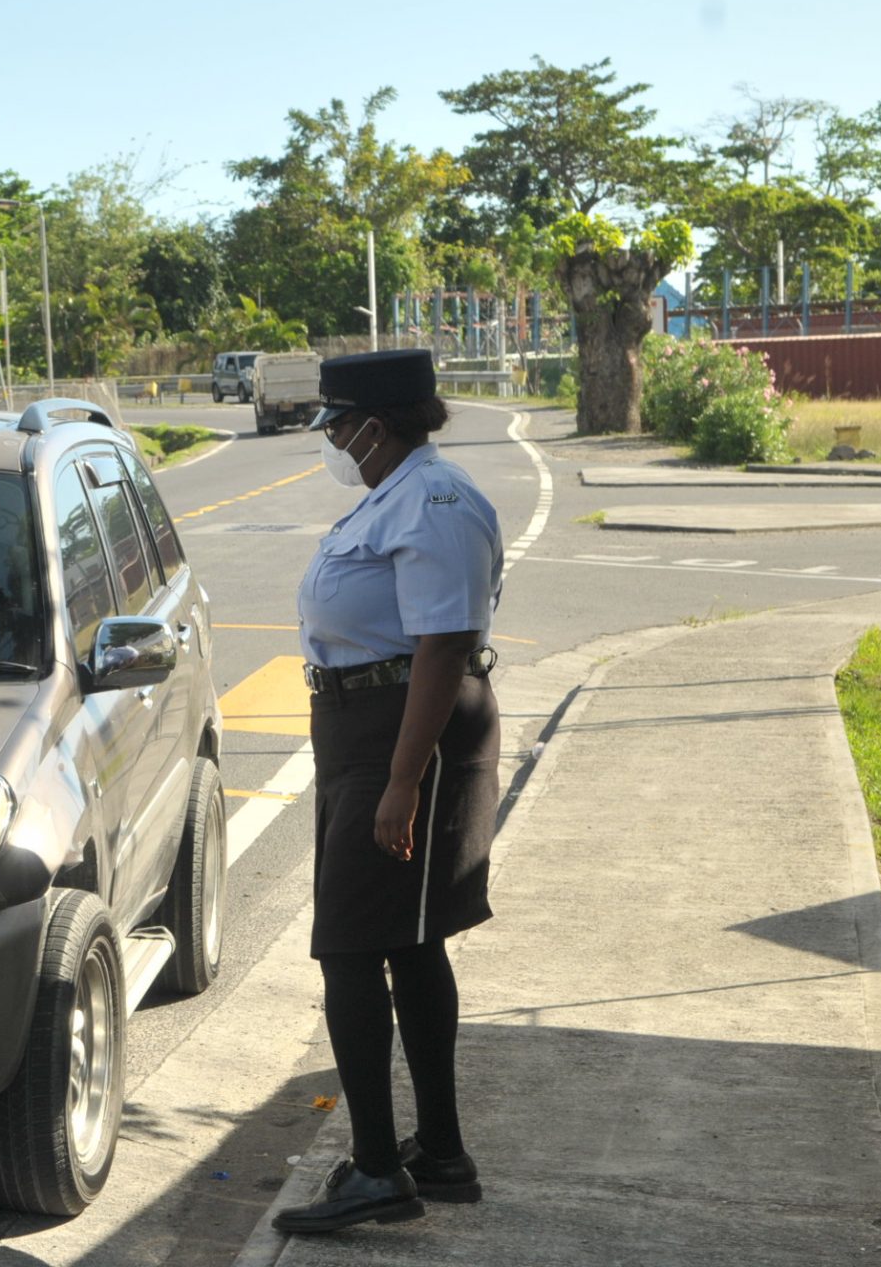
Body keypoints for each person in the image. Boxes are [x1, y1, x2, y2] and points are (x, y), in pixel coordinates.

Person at [272, 348, 504, 1236]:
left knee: (350, 951)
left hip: (407, 735)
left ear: (375, 423)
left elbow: (442, 648)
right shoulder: (395, 495)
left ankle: (377, 1170)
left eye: (335, 422)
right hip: (367, 730)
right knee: (406, 945)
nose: (330, 438)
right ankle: (439, 1154)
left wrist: (403, 782)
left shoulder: (433, 503)